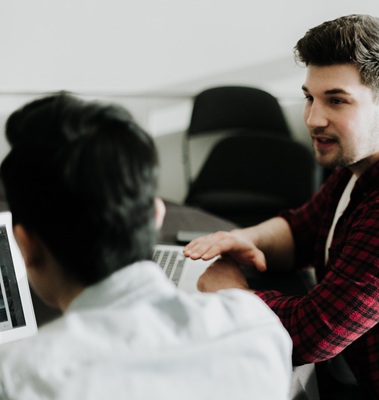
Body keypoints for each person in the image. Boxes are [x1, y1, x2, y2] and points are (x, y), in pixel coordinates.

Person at [184, 14, 379, 400]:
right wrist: (241, 240)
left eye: (336, 101)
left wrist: (229, 293)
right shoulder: (364, 159)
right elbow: (302, 231)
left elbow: (306, 337)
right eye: (310, 97)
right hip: (352, 369)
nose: (313, 118)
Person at [0, 93, 292, 400]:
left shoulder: (21, 378)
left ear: (25, 244)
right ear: (156, 215)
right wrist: (237, 296)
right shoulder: (255, 326)